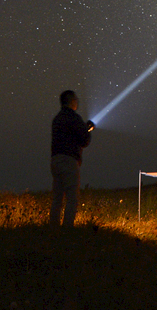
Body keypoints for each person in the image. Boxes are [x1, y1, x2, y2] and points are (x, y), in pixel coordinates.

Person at [50, 90, 94, 226]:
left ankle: (53, 228)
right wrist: (88, 130)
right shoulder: (74, 118)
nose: (77, 102)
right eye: (76, 99)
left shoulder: (57, 119)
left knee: (57, 198)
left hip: (55, 160)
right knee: (72, 197)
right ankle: (67, 229)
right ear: (71, 101)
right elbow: (84, 140)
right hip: (69, 160)